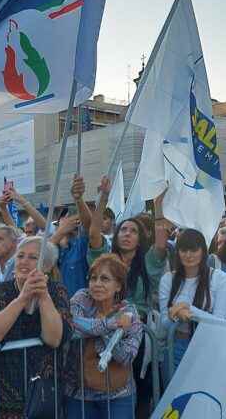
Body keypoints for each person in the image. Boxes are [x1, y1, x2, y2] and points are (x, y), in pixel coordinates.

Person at [88, 176, 169, 415]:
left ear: (140, 238)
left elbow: (162, 235)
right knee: (105, 383)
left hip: (137, 336)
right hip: (104, 330)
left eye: (133, 231)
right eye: (123, 229)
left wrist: (158, 204)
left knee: (139, 388)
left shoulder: (149, 262)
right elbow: (93, 232)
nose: (127, 234)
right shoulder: (105, 260)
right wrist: (103, 197)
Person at [0, 236, 70, 419]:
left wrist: (44, 297)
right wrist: (22, 298)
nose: (24, 261)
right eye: (20, 255)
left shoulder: (56, 291)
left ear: (46, 266)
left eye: (33, 258)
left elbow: (54, 339)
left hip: (39, 397)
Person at [65, 254, 143, 418]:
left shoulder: (129, 312)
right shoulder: (81, 298)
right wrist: (109, 325)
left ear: (118, 286)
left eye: (105, 279)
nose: (97, 284)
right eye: (93, 278)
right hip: (78, 393)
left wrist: (104, 334)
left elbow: (127, 358)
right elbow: (72, 325)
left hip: (119, 395)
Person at [159, 229, 226, 370]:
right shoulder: (168, 279)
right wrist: (176, 315)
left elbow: (220, 322)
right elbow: (165, 322)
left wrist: (188, 308)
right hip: (176, 347)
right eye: (184, 250)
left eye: (194, 250)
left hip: (208, 348)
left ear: (203, 250)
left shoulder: (219, 278)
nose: (188, 255)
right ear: (178, 252)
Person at [50, 176, 93, 298]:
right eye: (62, 218)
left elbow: (89, 225)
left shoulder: (81, 245)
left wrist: (79, 199)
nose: (64, 220)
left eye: (69, 217)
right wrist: (60, 233)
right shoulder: (54, 248)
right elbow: (39, 257)